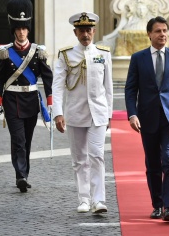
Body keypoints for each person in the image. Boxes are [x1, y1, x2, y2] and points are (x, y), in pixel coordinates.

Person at [124, 16, 169, 222]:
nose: (163, 34)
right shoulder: (138, 58)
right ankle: (157, 204)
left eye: (165, 31)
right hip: (148, 119)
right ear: (149, 34)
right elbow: (130, 89)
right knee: (153, 164)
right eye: (158, 31)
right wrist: (132, 114)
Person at [52, 12, 113, 214]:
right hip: (76, 113)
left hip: (98, 113)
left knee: (97, 156)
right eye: (82, 31)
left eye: (89, 30)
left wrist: (109, 114)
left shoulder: (103, 53)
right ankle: (84, 199)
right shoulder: (66, 55)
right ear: (75, 32)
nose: (85, 34)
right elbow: (58, 86)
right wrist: (58, 113)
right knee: (80, 159)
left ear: (94, 31)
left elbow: (109, 87)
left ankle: (99, 200)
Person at [0, 0, 53, 193]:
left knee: (27, 139)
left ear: (28, 29)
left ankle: (24, 172)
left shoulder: (37, 52)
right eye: (18, 29)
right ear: (14, 30)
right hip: (11, 101)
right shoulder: (6, 53)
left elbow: (47, 76)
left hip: (31, 101)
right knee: (18, 139)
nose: (21, 32)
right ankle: (21, 176)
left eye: (24, 28)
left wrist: (50, 100)